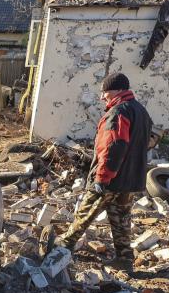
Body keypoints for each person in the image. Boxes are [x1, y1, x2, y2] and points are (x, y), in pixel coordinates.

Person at [45, 72, 153, 266]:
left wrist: (102, 179)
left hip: (111, 179)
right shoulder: (141, 111)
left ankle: (60, 251)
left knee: (84, 215)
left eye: (105, 92)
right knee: (121, 220)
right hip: (130, 180)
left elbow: (113, 147)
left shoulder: (118, 113)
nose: (102, 96)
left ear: (119, 90)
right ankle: (125, 259)